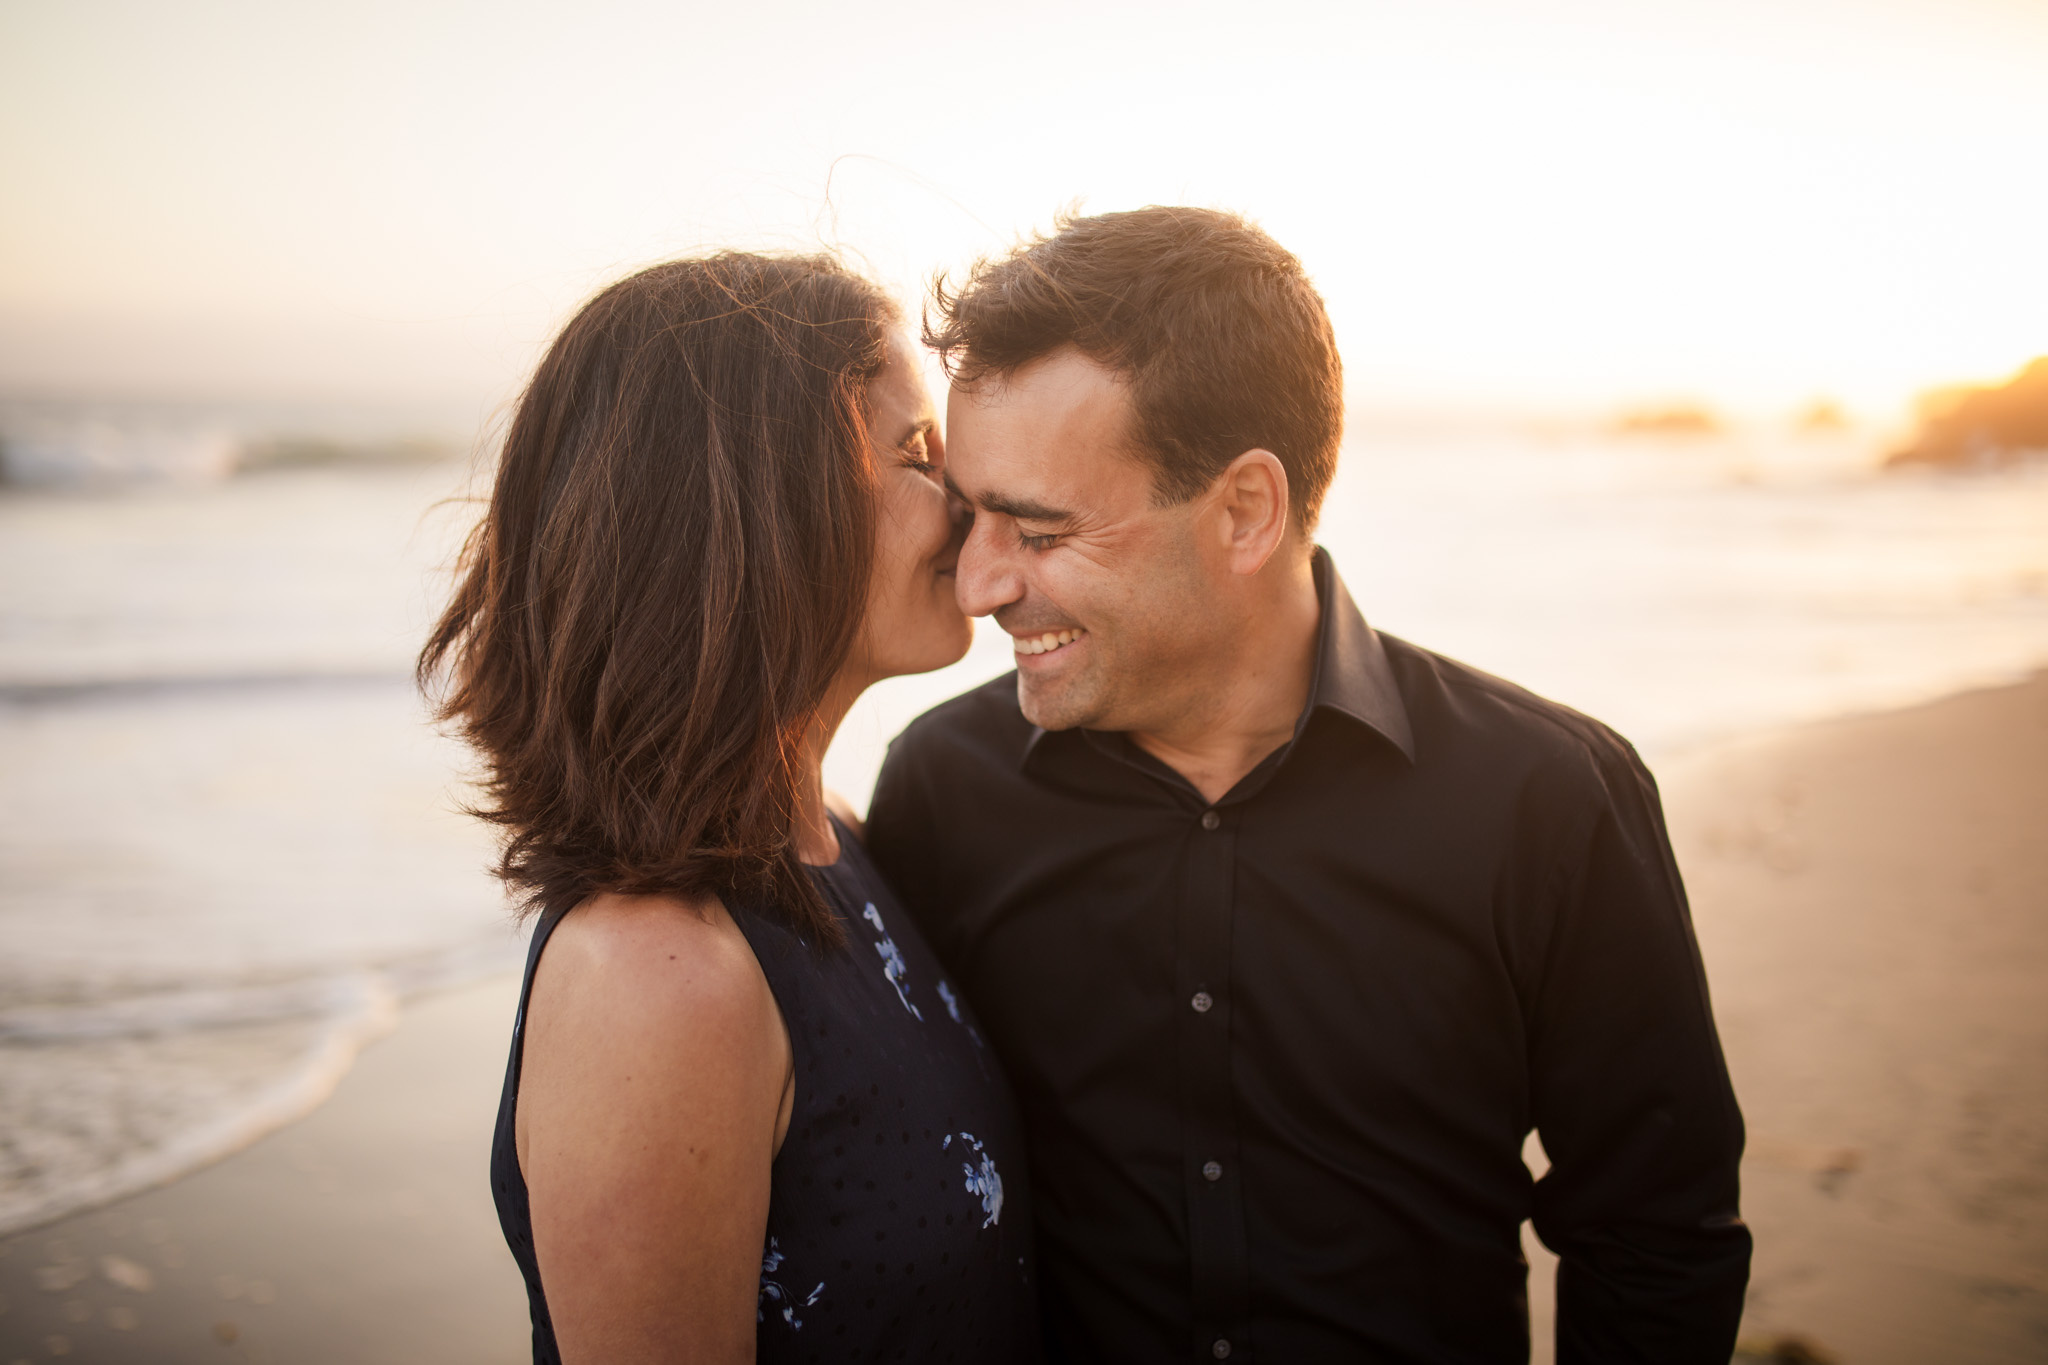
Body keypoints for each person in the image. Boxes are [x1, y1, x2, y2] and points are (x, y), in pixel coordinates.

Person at [866, 208, 1751, 1364]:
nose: (979, 584)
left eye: (1036, 530)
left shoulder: (1547, 799)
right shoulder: (944, 790)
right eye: (971, 514)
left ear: (1243, 511)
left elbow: (1654, 1234)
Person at [421, 253, 1040, 1364]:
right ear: (756, 510)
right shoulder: (656, 981)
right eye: (912, 454)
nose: (964, 506)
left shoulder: (837, 837)